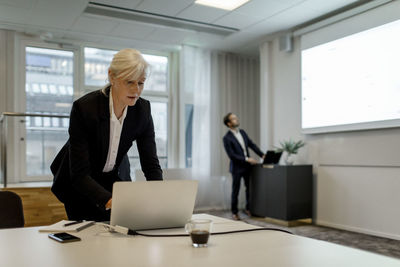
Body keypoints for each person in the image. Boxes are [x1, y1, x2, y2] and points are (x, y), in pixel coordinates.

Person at [50, 48, 163, 221]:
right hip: (79, 183)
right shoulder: (85, 108)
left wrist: (160, 198)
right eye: (129, 82)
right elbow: (79, 174)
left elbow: (150, 164)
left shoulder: (143, 110)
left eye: (141, 83)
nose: (136, 90)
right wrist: (110, 201)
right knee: (87, 238)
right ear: (112, 77)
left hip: (112, 179)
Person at [222, 113, 264, 220]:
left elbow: (251, 144)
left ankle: (248, 209)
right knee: (235, 190)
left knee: (249, 188)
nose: (237, 119)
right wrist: (246, 159)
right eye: (234, 119)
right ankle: (234, 212)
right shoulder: (226, 138)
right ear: (229, 123)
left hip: (247, 166)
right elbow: (232, 155)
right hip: (236, 167)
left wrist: (262, 154)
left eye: (236, 118)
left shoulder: (242, 132)